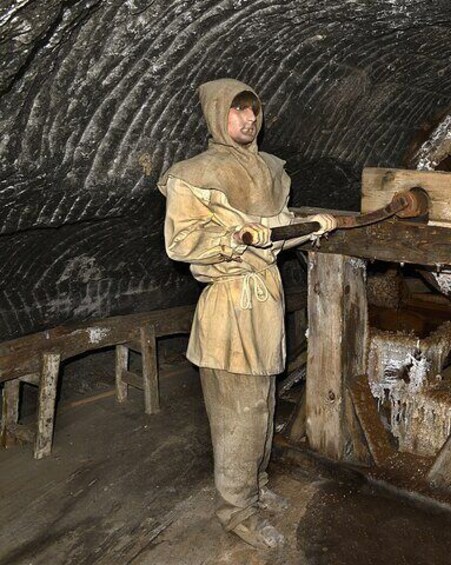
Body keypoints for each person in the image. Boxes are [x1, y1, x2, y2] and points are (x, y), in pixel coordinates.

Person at [158, 78, 336, 549]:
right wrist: (235, 239)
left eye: (253, 111)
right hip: (229, 307)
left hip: (265, 304)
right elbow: (180, 242)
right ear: (218, 115)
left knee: (262, 407)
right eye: (237, 111)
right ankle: (238, 512)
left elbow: (277, 231)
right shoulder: (194, 173)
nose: (248, 120)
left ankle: (254, 489)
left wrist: (311, 226)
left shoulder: (271, 170)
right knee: (237, 415)